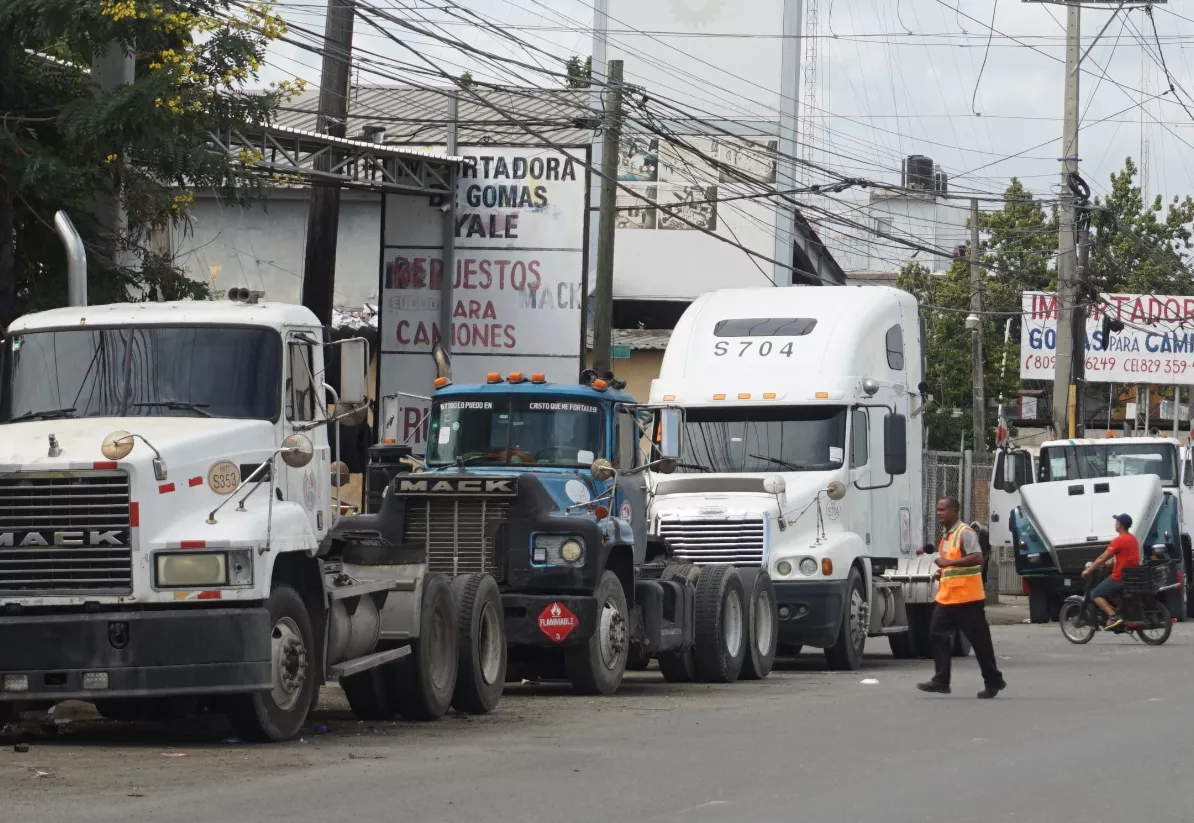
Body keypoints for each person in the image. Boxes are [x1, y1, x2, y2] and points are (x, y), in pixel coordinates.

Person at [917, 497, 1007, 699]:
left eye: (943, 509)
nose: (939, 512)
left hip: (968, 598)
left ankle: (994, 680)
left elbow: (976, 558)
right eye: (937, 509)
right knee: (936, 635)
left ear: (955, 511)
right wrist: (943, 572)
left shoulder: (965, 532)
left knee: (980, 642)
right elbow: (952, 566)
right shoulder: (947, 537)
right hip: (948, 598)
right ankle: (941, 681)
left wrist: (949, 564)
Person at [1081, 513, 1140, 632]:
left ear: (1120, 525)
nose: (1115, 524)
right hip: (1132, 576)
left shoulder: (1119, 540)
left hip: (1120, 577)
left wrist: (1090, 569)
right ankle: (1121, 612)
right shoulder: (1133, 539)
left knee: (1095, 594)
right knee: (1110, 592)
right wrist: (1106, 564)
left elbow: (1103, 557)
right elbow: (1122, 557)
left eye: (1116, 522)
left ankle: (1113, 616)